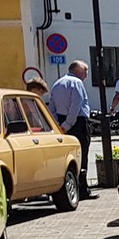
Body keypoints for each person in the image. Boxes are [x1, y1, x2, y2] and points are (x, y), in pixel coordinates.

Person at [47, 60, 96, 198]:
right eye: (85, 71)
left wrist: (58, 125)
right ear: (77, 71)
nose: (86, 75)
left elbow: (52, 107)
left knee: (66, 157)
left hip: (61, 122)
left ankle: (69, 187)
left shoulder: (57, 84)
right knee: (82, 155)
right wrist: (68, 124)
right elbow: (76, 105)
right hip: (78, 123)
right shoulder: (76, 83)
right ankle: (83, 189)